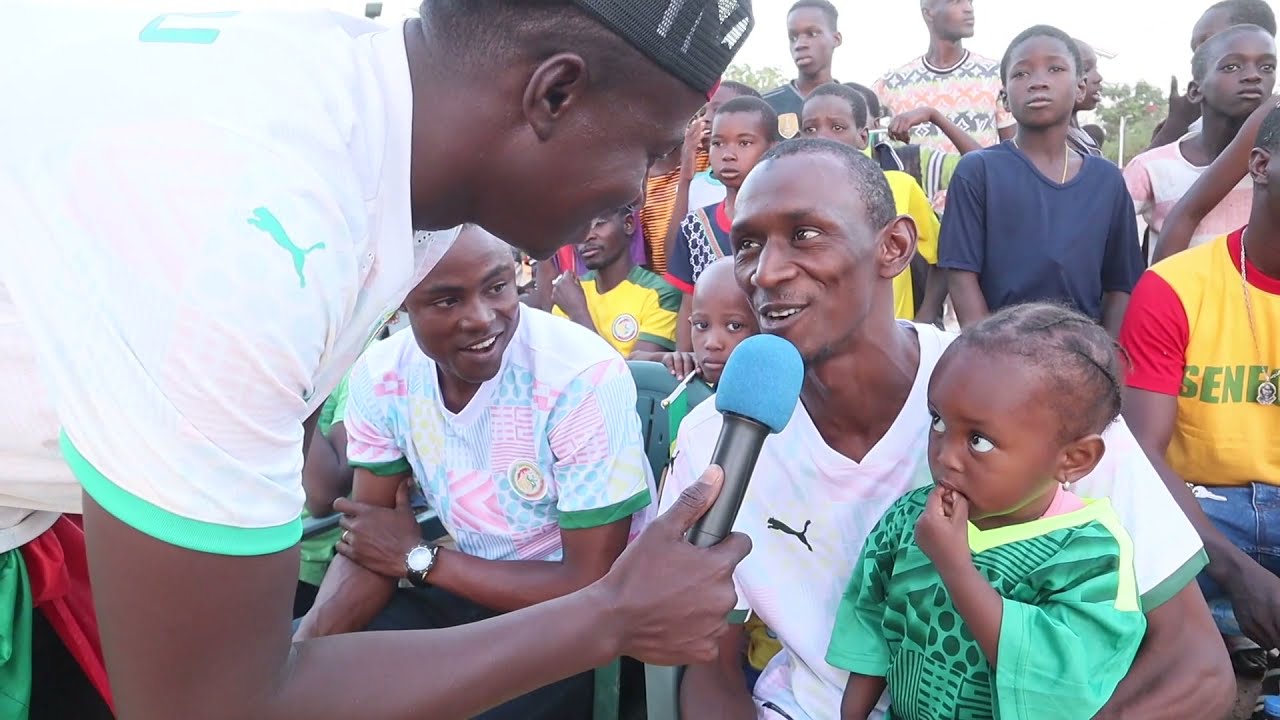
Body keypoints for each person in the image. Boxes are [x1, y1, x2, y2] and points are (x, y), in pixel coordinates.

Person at [0, 1, 759, 717]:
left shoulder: (349, 105)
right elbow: (207, 705)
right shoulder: (250, 244)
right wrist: (611, 619)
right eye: (653, 150)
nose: (642, 189)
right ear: (554, 93)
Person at [662, 137, 1232, 720]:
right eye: (749, 244)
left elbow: (1196, 669)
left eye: (806, 235)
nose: (767, 271)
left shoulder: (1036, 398)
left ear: (895, 247)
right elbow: (710, 671)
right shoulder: (718, 437)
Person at [297, 227, 656, 718]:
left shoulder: (580, 375)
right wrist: (299, 653)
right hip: (459, 593)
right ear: (401, 305)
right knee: (300, 673)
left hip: (575, 623)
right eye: (446, 301)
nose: (483, 317)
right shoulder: (383, 375)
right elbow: (372, 545)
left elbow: (591, 583)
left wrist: (421, 559)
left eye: (497, 287)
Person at [832, 304, 1146, 720]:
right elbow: (871, 623)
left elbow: (1062, 682)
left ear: (1074, 459)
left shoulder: (1090, 553)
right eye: (938, 421)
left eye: (979, 441)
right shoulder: (911, 518)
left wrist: (956, 567)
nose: (945, 455)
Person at [1121, 103, 1280, 700]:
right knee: (1114, 559)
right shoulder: (1174, 286)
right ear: (1259, 165)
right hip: (1201, 514)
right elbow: (1143, 451)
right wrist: (1236, 572)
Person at [940, 25, 1143, 336]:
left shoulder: (1107, 181)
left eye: (1055, 68)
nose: (1038, 82)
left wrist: (1107, 358)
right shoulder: (978, 171)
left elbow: (1121, 284)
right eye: (1021, 74)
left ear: (1080, 88)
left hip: (1085, 357)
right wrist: (987, 354)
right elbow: (961, 275)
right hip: (1001, 354)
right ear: (1005, 98)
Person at [1126, 25, 1275, 262]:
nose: (1253, 76)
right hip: (1177, 297)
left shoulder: (1272, 169)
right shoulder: (1150, 168)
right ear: (1195, 91)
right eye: (1232, 67)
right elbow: (1105, 243)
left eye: (1267, 67)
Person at [799, 82, 945, 322]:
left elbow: (943, 257)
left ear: (862, 137)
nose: (822, 137)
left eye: (837, 127)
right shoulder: (793, 202)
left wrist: (926, 316)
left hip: (893, 348)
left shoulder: (900, 186)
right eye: (810, 129)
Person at [666, 96, 779, 350]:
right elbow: (689, 304)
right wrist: (686, 362)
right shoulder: (695, 226)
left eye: (744, 143)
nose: (728, 155)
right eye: (718, 143)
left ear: (771, 149)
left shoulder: (784, 226)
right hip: (711, 367)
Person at [642, 82, 758, 275]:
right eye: (703, 112)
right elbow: (673, 255)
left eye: (718, 110)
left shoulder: (755, 180)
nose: (706, 119)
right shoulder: (693, 178)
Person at [874, 0, 1015, 153]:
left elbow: (1011, 158)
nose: (968, 9)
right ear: (928, 13)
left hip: (978, 177)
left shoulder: (995, 75)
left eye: (970, 2)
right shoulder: (892, 83)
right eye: (956, 2)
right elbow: (854, 130)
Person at [552, 205, 680, 356]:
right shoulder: (570, 291)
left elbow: (633, 376)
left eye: (599, 223)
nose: (586, 237)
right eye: (579, 228)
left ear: (628, 225)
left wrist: (579, 314)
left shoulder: (661, 294)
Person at [1152, 0, 1278, 150]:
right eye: (1195, 47)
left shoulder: (1272, 130)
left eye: (1206, 41)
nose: (1196, 55)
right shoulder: (1188, 126)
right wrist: (1175, 124)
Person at [763, 0, 842, 139]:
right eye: (793, 37)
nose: (799, 44)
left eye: (812, 34)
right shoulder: (765, 105)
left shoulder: (855, 103)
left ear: (836, 39)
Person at [1070, 39, 1106, 156]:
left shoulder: (1084, 137)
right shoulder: (1053, 144)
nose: (1098, 77)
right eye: (1086, 69)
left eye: (1096, 68)